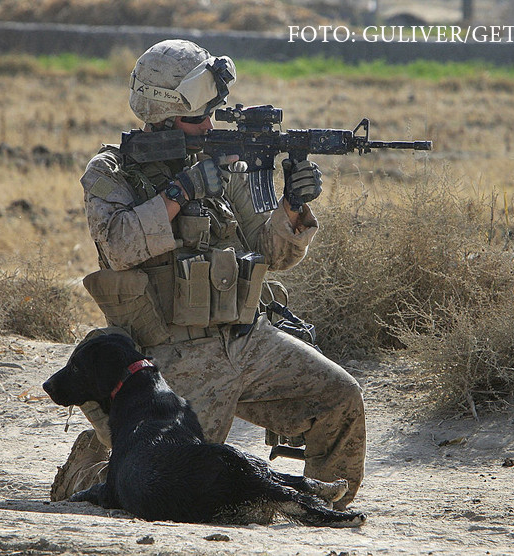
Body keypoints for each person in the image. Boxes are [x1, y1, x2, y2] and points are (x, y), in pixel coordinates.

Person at [50, 39, 366, 511]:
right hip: (170, 355)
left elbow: (270, 254)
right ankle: (93, 465)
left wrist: (294, 207)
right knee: (165, 477)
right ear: (163, 116)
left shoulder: (225, 169)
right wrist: (182, 190)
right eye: (198, 118)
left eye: (211, 114)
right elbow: (117, 248)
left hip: (246, 338)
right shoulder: (113, 170)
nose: (209, 126)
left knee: (340, 398)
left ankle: (323, 513)